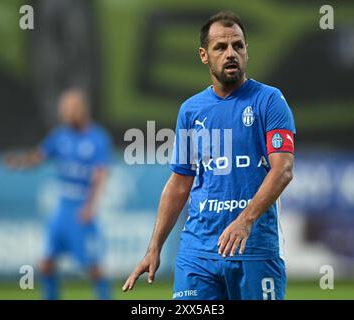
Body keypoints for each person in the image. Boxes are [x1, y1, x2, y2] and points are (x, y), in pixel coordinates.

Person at [122, 11, 296, 300]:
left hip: (252, 250)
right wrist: (154, 247)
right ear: (204, 55)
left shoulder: (269, 101)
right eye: (221, 47)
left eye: (238, 46)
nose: (231, 54)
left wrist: (245, 220)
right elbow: (179, 183)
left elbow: (283, 170)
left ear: (246, 51)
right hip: (197, 254)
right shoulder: (191, 110)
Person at [5, 89, 112, 300]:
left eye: (70, 108)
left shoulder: (97, 138)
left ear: (82, 109)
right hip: (62, 208)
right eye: (63, 109)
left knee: (93, 267)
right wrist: (18, 162)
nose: (65, 113)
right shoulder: (59, 136)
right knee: (46, 263)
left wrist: (91, 206)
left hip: (81, 209)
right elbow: (38, 156)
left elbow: (100, 174)